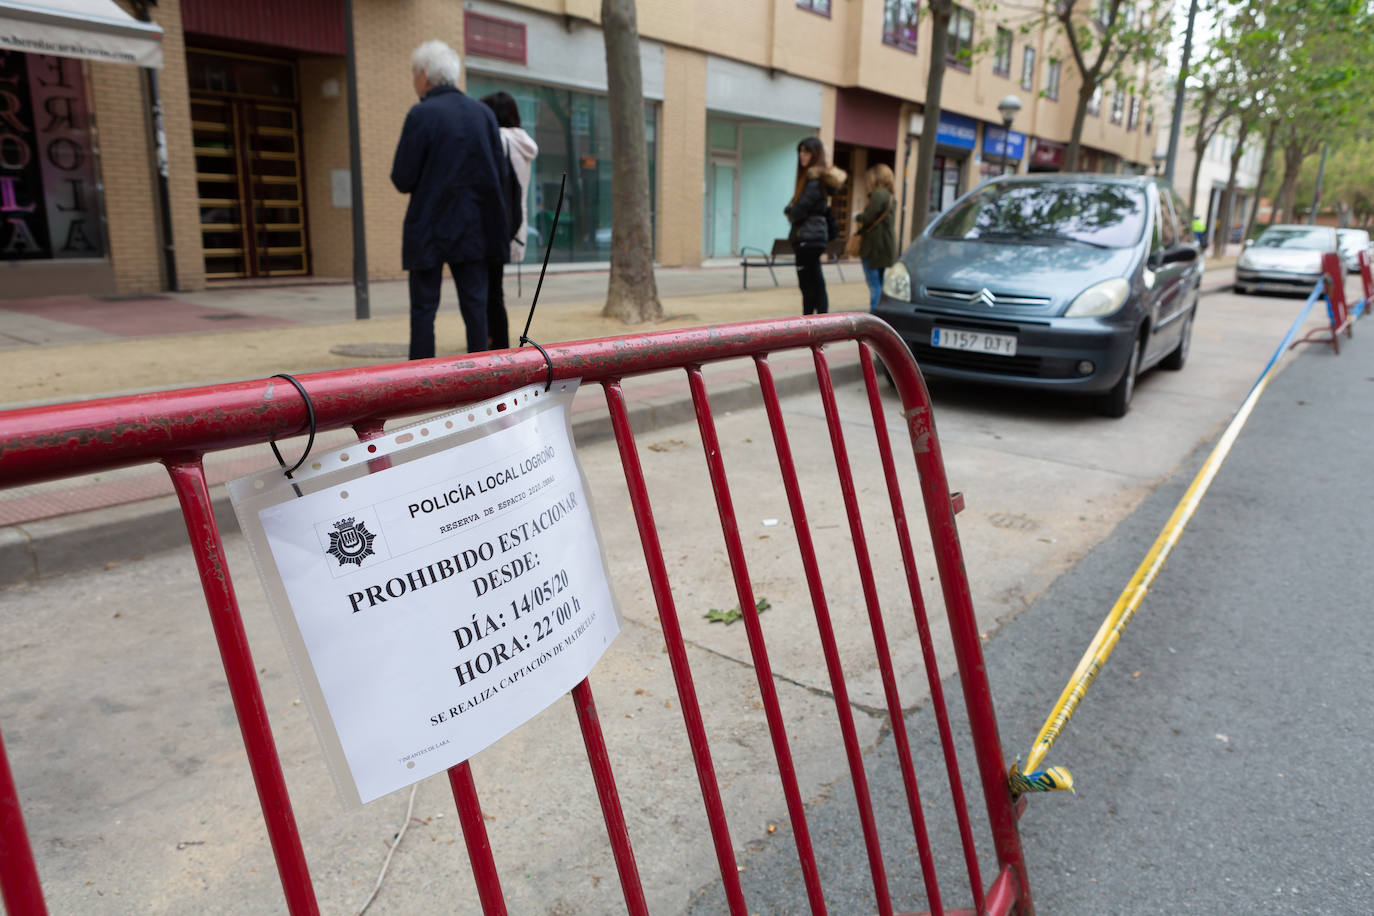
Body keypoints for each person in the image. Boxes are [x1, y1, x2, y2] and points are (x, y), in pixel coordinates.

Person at [391, 40, 509, 360]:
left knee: (424, 311)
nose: (414, 81)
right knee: (475, 307)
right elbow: (499, 172)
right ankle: (481, 377)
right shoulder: (483, 115)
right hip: (475, 226)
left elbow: (402, 178)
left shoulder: (421, 114)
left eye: (415, 74)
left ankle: (423, 378)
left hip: (428, 225)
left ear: (426, 76)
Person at [479, 91, 538, 351]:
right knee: (495, 291)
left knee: (488, 293)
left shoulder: (497, 139)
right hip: (515, 224)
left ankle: (495, 345)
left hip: (493, 227)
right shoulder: (523, 143)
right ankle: (499, 343)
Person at [784, 137, 847, 316]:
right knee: (815, 281)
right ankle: (817, 324)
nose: (802, 155)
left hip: (807, 237)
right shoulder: (816, 181)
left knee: (809, 284)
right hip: (814, 236)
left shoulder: (813, 181)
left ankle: (813, 325)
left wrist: (790, 210)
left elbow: (797, 210)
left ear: (815, 154)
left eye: (806, 151)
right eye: (800, 151)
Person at [853, 163, 897, 311]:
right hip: (885, 247)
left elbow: (867, 218)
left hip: (874, 247)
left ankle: (875, 317)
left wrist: (858, 217)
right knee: (879, 282)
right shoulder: (891, 196)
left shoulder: (878, 195)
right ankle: (881, 316)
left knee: (874, 285)